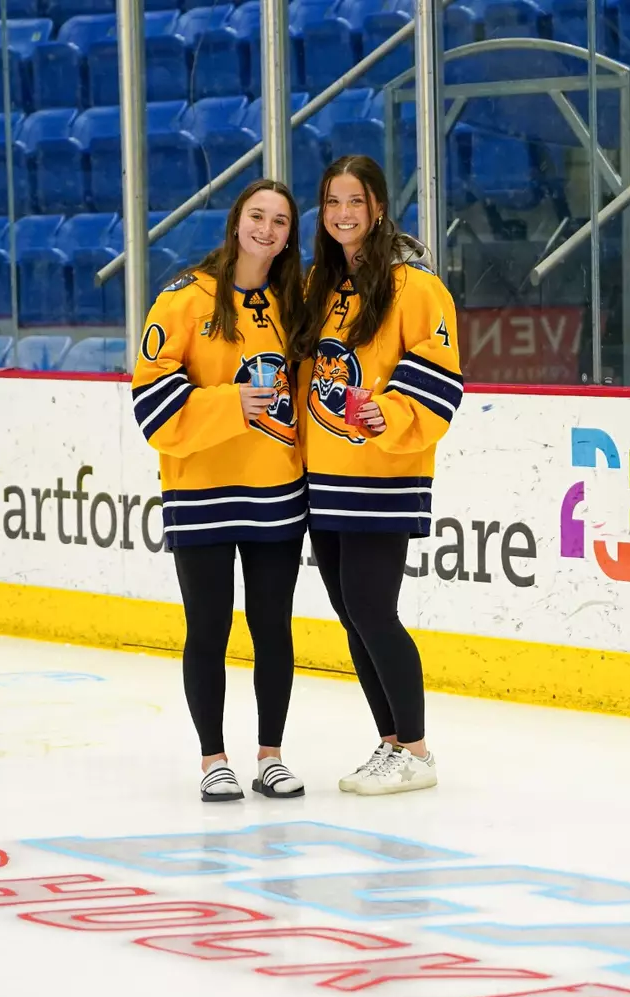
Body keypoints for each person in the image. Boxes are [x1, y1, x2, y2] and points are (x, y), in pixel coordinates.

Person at [131, 180, 308, 803]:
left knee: (273, 628)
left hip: (276, 490)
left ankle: (271, 755)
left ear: (291, 234)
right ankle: (213, 757)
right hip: (201, 489)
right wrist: (232, 403)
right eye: (257, 216)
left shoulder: (297, 301)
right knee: (207, 627)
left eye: (280, 221)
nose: (267, 229)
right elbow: (150, 405)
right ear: (236, 222)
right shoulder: (182, 300)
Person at [290, 155, 462, 796]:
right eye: (331, 203)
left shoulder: (417, 288)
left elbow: (442, 380)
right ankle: (391, 744)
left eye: (354, 203)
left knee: (371, 606)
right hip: (325, 476)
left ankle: (416, 749)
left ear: (380, 207)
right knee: (350, 611)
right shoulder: (319, 285)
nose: (342, 215)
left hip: (382, 474)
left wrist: (385, 412)